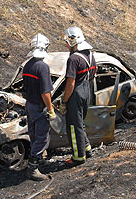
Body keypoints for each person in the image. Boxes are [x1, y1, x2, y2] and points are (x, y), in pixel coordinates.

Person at [59, 26, 97, 167]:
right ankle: (86, 149)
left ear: (73, 42)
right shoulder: (91, 54)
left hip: (76, 93)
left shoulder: (74, 59)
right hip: (87, 90)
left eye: (67, 42)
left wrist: (64, 100)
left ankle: (78, 157)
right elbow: (95, 71)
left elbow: (70, 83)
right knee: (80, 123)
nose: (65, 45)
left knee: (74, 127)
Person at [23, 33, 56, 181]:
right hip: (38, 106)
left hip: (29, 104)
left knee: (34, 135)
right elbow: (45, 92)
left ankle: (38, 159)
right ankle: (32, 169)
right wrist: (50, 109)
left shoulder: (27, 65)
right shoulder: (42, 67)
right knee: (42, 138)